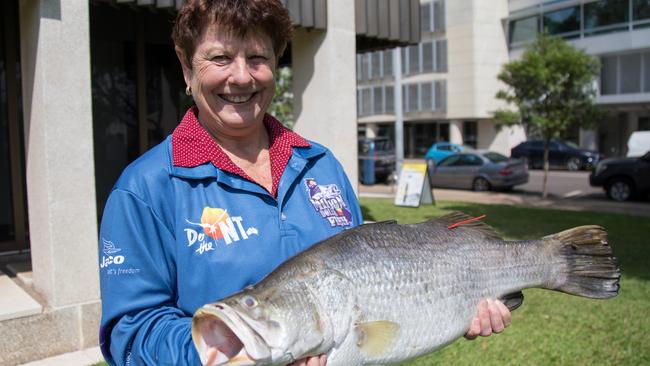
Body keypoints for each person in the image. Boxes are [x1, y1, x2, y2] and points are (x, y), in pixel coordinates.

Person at [98, 1, 510, 365]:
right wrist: (243, 355)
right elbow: (130, 335)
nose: (241, 77)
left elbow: (370, 284)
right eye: (220, 57)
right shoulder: (146, 188)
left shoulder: (320, 164)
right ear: (187, 67)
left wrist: (450, 305)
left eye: (257, 58)